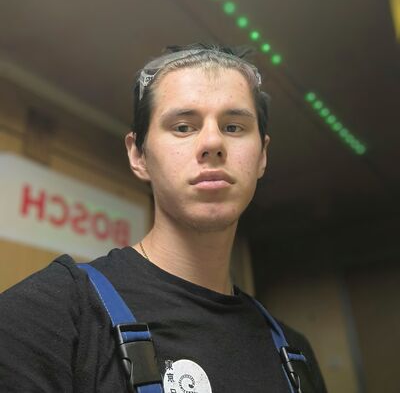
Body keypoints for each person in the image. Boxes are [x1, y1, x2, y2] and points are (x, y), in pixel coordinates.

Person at [0, 44, 327, 393]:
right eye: (183, 127)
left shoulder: (295, 354)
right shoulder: (50, 315)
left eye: (233, 127)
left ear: (262, 156)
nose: (213, 142)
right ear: (138, 155)